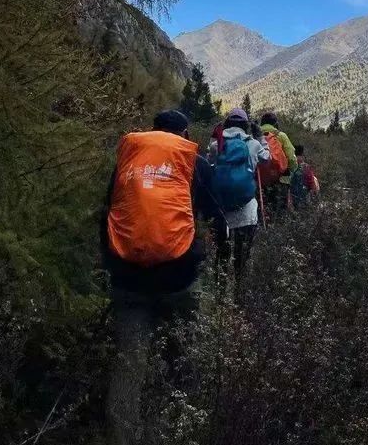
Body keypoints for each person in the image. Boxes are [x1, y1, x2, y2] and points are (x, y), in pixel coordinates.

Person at [102, 109, 226, 445]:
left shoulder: (128, 161)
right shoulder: (193, 162)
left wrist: (112, 265)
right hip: (179, 278)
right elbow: (216, 217)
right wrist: (220, 262)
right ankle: (178, 429)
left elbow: (108, 214)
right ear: (184, 134)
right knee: (185, 353)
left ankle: (121, 436)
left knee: (129, 362)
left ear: (152, 130)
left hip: (128, 277)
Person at [213, 108, 270, 287]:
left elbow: (210, 164)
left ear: (227, 123)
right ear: (246, 125)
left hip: (222, 207)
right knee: (242, 254)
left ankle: (220, 291)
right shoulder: (253, 144)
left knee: (222, 252)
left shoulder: (217, 144)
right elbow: (267, 159)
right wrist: (261, 138)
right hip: (246, 207)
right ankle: (240, 291)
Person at [260, 111, 297, 218]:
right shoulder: (280, 136)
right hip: (281, 180)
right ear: (275, 123)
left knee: (263, 210)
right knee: (280, 212)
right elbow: (291, 157)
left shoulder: (255, 136)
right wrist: (290, 171)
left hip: (260, 181)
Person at [291, 144, 320, 209]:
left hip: (292, 198)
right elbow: (312, 184)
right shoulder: (306, 166)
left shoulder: (290, 165)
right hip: (304, 198)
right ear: (302, 154)